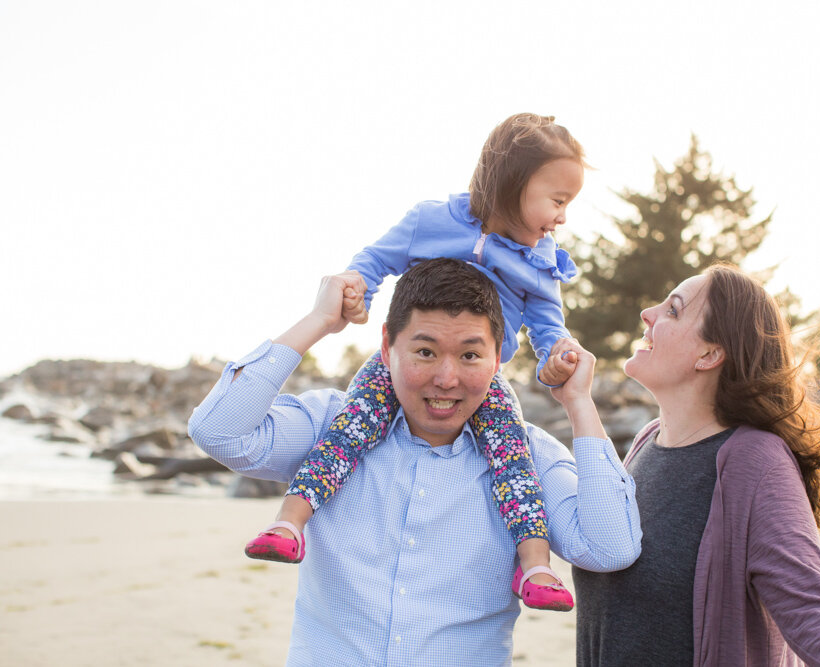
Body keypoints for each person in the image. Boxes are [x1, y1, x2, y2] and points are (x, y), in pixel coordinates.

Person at [188, 258, 641, 665]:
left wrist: (579, 402)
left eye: (469, 355)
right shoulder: (329, 425)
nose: (446, 379)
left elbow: (608, 548)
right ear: (387, 348)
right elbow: (219, 432)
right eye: (425, 352)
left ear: (497, 358)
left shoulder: (529, 457)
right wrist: (319, 321)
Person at [242, 113, 586, 611]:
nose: (562, 217)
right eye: (558, 201)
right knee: (348, 431)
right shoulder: (433, 221)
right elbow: (377, 258)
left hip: (481, 382)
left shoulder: (540, 261)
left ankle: (535, 565)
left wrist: (557, 358)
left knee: (514, 463)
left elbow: (550, 327)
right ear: (513, 187)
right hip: (404, 369)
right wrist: (357, 285)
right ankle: (289, 523)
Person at [572, 263, 820, 667]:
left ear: (710, 354)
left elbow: (813, 603)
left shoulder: (753, 461)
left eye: (673, 310)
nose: (648, 313)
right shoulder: (646, 441)